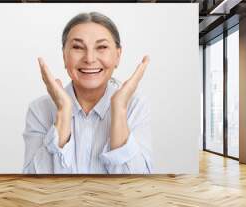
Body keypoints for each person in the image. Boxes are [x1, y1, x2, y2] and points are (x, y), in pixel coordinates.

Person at [23, 12, 152, 174]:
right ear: (64, 56)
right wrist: (63, 112)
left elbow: (137, 187)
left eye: (102, 47)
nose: (89, 59)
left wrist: (119, 110)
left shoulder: (135, 106)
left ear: (118, 56)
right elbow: (34, 182)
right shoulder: (39, 109)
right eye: (77, 47)